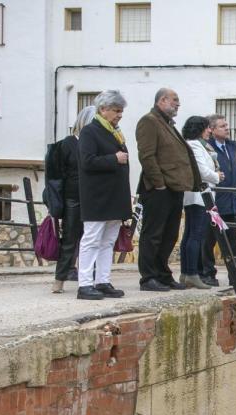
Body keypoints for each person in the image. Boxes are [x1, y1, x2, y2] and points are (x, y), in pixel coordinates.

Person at [135, 87, 199, 292]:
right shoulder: (149, 121)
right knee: (153, 234)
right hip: (158, 189)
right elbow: (147, 156)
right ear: (161, 100)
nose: (178, 104)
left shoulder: (168, 124)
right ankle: (148, 277)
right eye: (174, 99)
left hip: (174, 187)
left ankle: (162, 274)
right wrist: (159, 183)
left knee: (169, 235)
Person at [75, 90, 132, 300]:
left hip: (114, 196)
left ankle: (103, 280)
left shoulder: (114, 132)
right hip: (97, 196)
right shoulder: (90, 132)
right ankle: (85, 284)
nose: (120, 115)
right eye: (116, 110)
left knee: (108, 241)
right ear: (103, 109)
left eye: (121, 111)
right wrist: (113, 159)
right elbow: (87, 161)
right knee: (91, 239)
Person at [50, 106, 95, 293]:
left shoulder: (95, 144)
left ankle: (89, 279)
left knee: (91, 240)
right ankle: (59, 279)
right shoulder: (67, 143)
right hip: (73, 198)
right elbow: (58, 174)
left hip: (91, 197)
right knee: (69, 239)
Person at [203, 115, 236, 287]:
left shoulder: (231, 146)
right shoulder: (207, 147)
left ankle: (235, 275)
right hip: (214, 202)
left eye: (227, 125)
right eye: (222, 126)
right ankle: (207, 273)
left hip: (230, 202)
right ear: (212, 129)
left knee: (232, 241)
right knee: (209, 240)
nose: (227, 128)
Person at [180, 115, 221, 290]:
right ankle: (191, 273)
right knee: (195, 235)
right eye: (207, 127)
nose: (209, 131)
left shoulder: (194, 144)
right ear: (199, 129)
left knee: (190, 234)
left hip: (197, 196)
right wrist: (217, 176)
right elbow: (201, 170)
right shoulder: (195, 145)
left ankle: (186, 273)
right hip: (199, 196)